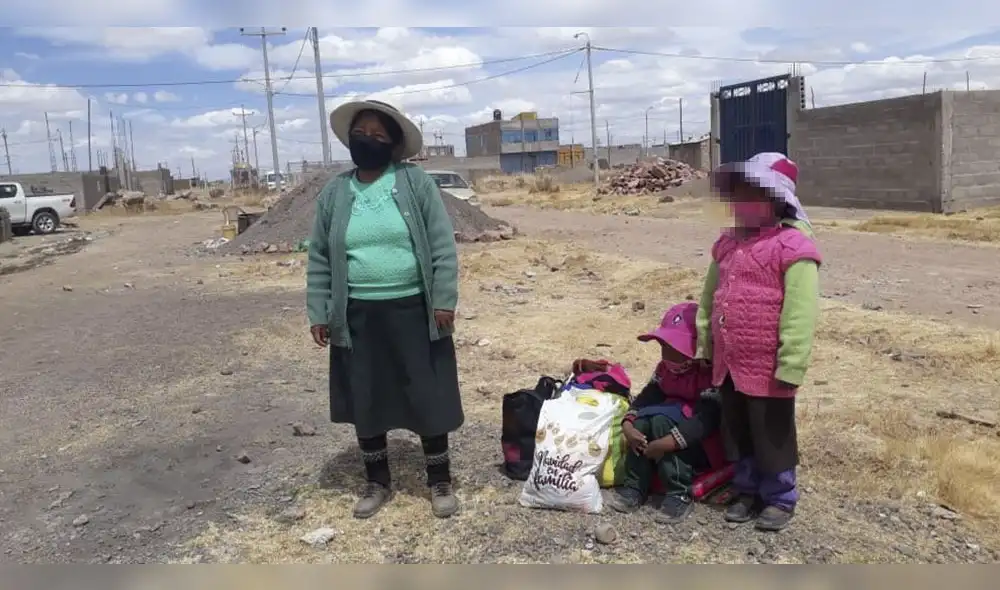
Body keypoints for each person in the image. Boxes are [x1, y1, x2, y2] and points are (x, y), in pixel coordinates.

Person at [306, 100, 464, 520]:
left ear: (393, 144)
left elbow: (443, 245)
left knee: (427, 392)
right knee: (366, 395)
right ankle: (377, 480)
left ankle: (439, 479)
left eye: (379, 135)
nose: (369, 141)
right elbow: (320, 256)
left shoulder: (415, 183)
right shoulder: (335, 192)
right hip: (357, 313)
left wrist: (444, 299)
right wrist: (319, 311)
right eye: (362, 134)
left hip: (415, 309)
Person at [694, 152, 822, 532]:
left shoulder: (792, 248)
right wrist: (707, 342)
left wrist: (792, 362)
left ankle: (780, 496)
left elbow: (801, 313)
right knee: (737, 427)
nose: (740, 204)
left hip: (769, 365)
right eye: (737, 196)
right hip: (731, 361)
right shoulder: (727, 245)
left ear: (776, 201)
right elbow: (709, 297)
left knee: (772, 432)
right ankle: (746, 488)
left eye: (752, 195)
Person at [604, 302, 724, 524]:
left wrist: (668, 443)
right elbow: (645, 398)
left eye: (674, 348)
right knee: (642, 422)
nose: (667, 354)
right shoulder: (664, 370)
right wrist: (629, 426)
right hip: (669, 427)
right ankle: (634, 486)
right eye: (664, 347)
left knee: (660, 421)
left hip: (697, 442)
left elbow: (706, 420)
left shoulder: (709, 374)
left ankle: (678, 492)